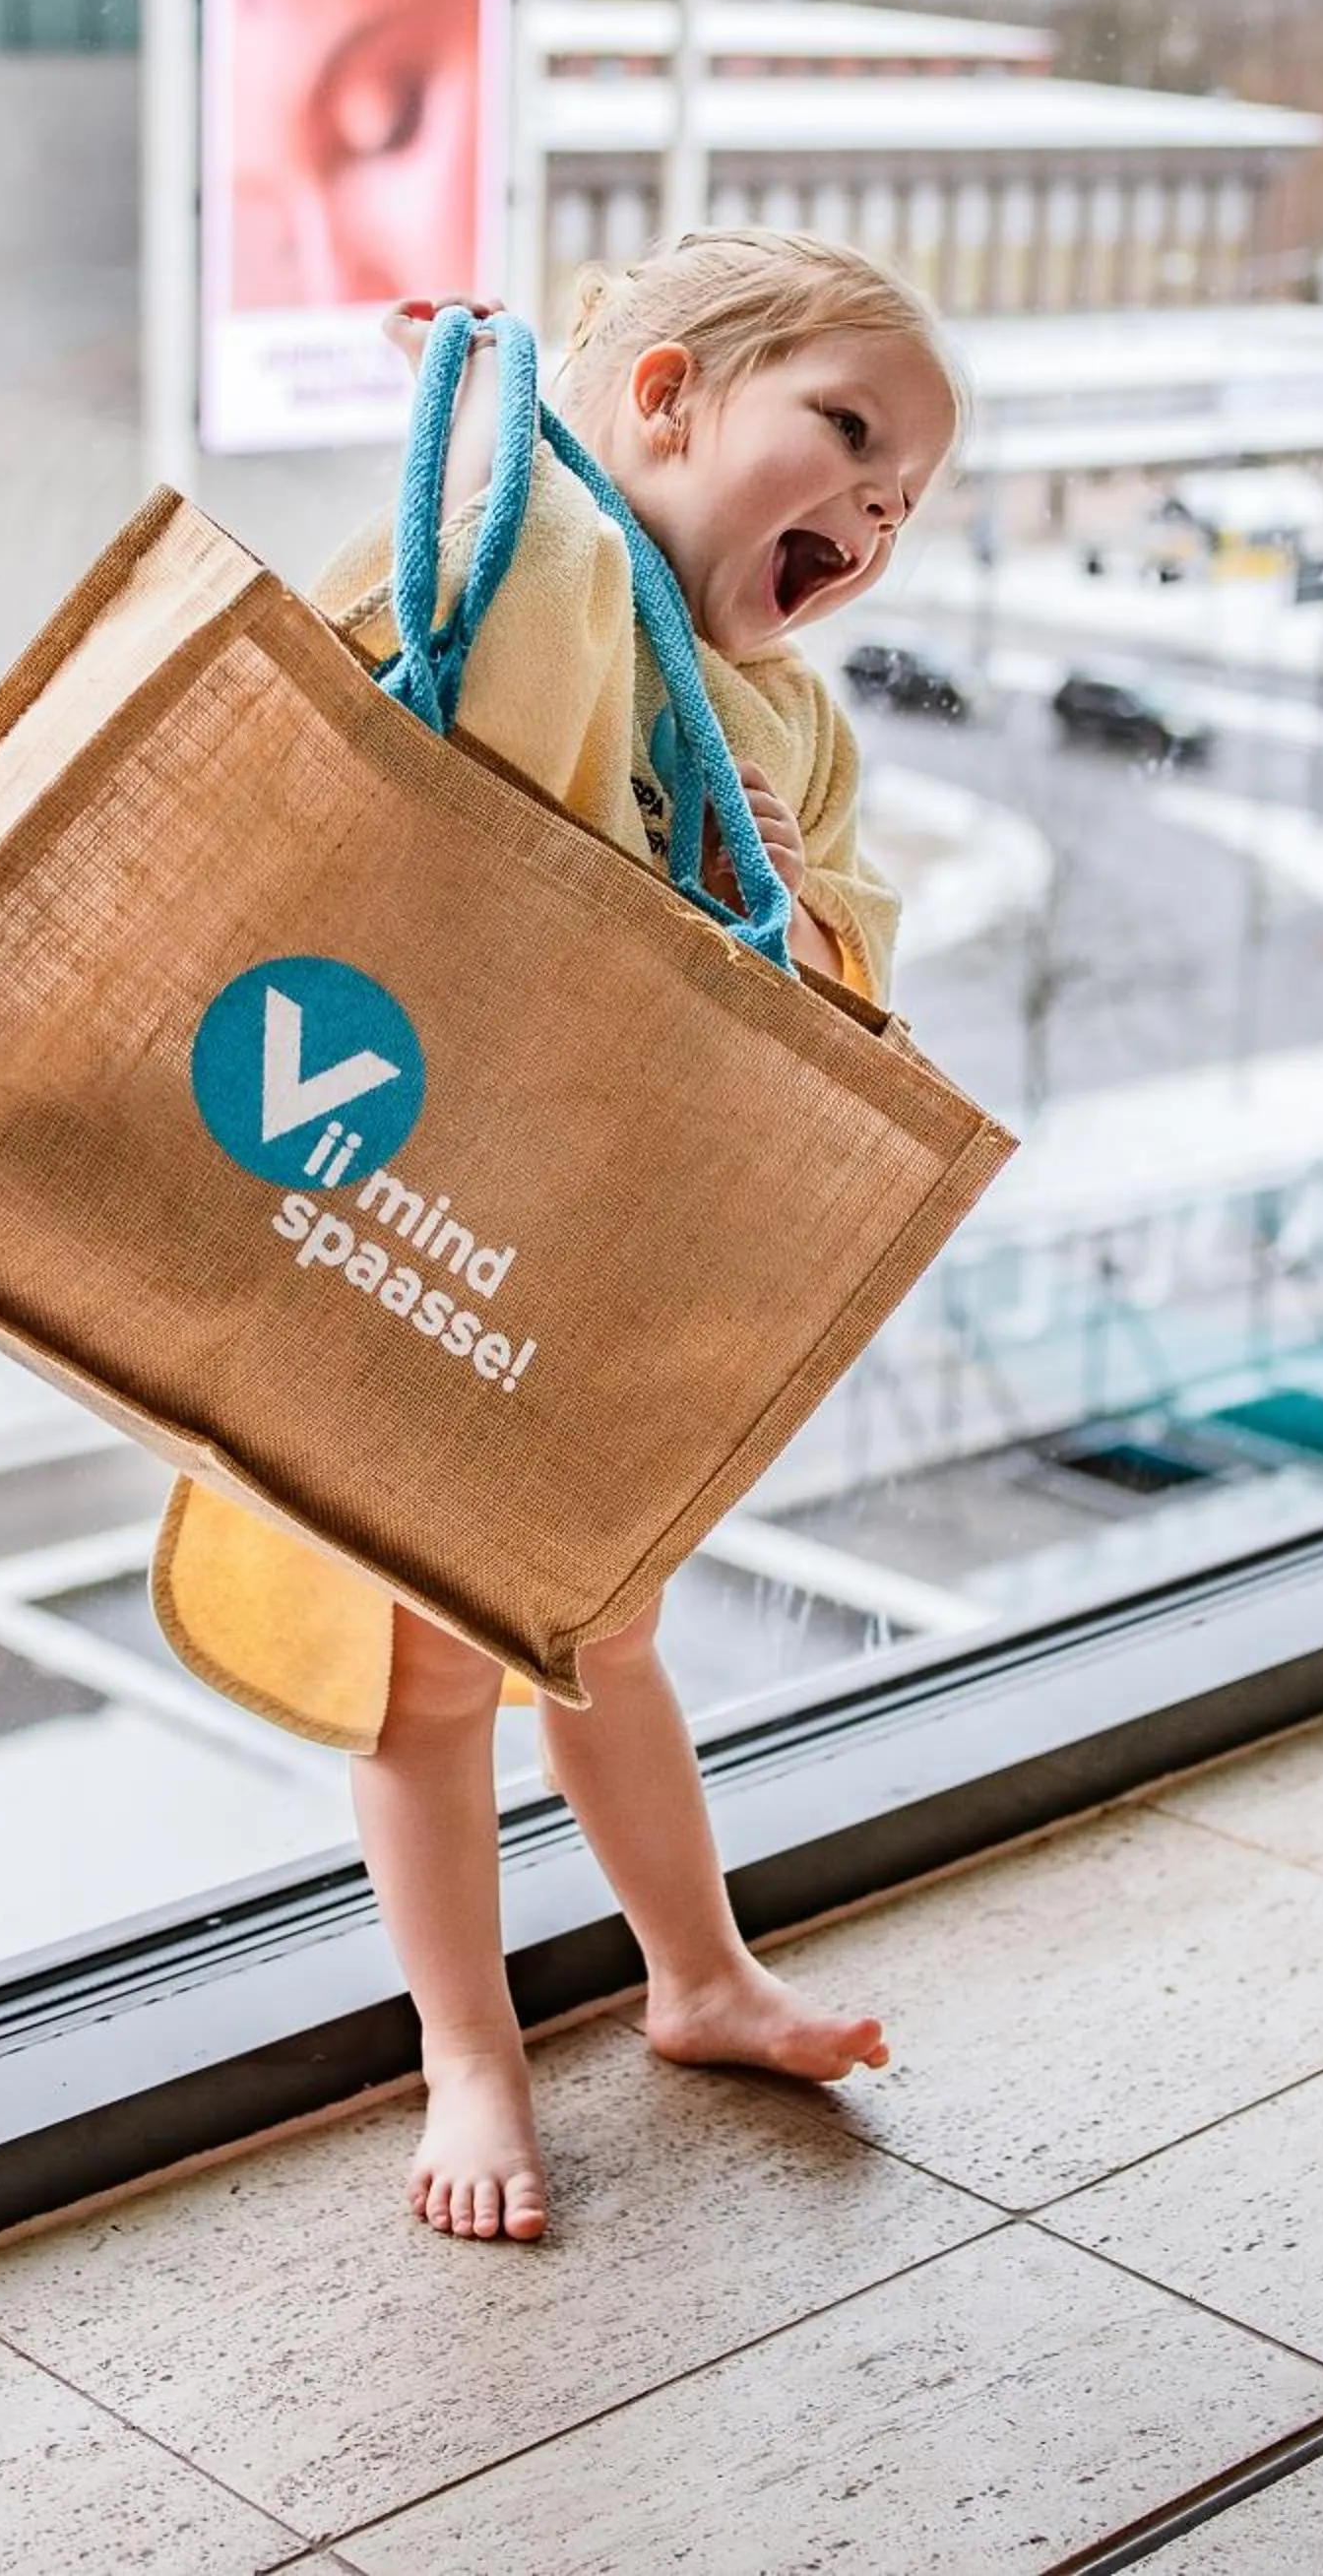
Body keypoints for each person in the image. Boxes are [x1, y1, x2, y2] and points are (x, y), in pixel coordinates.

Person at [333, 229, 965, 2244]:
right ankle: (469, 2044)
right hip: (417, 1230)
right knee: (430, 1684)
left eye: (905, 498)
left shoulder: (798, 729)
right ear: (669, 398)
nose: (871, 512)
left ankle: (695, 1976)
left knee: (608, 1641)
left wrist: (795, 902)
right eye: (846, 438)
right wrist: (459, 474)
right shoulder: (536, 581)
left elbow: (854, 972)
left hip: (600, 1259)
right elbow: (372, 712)